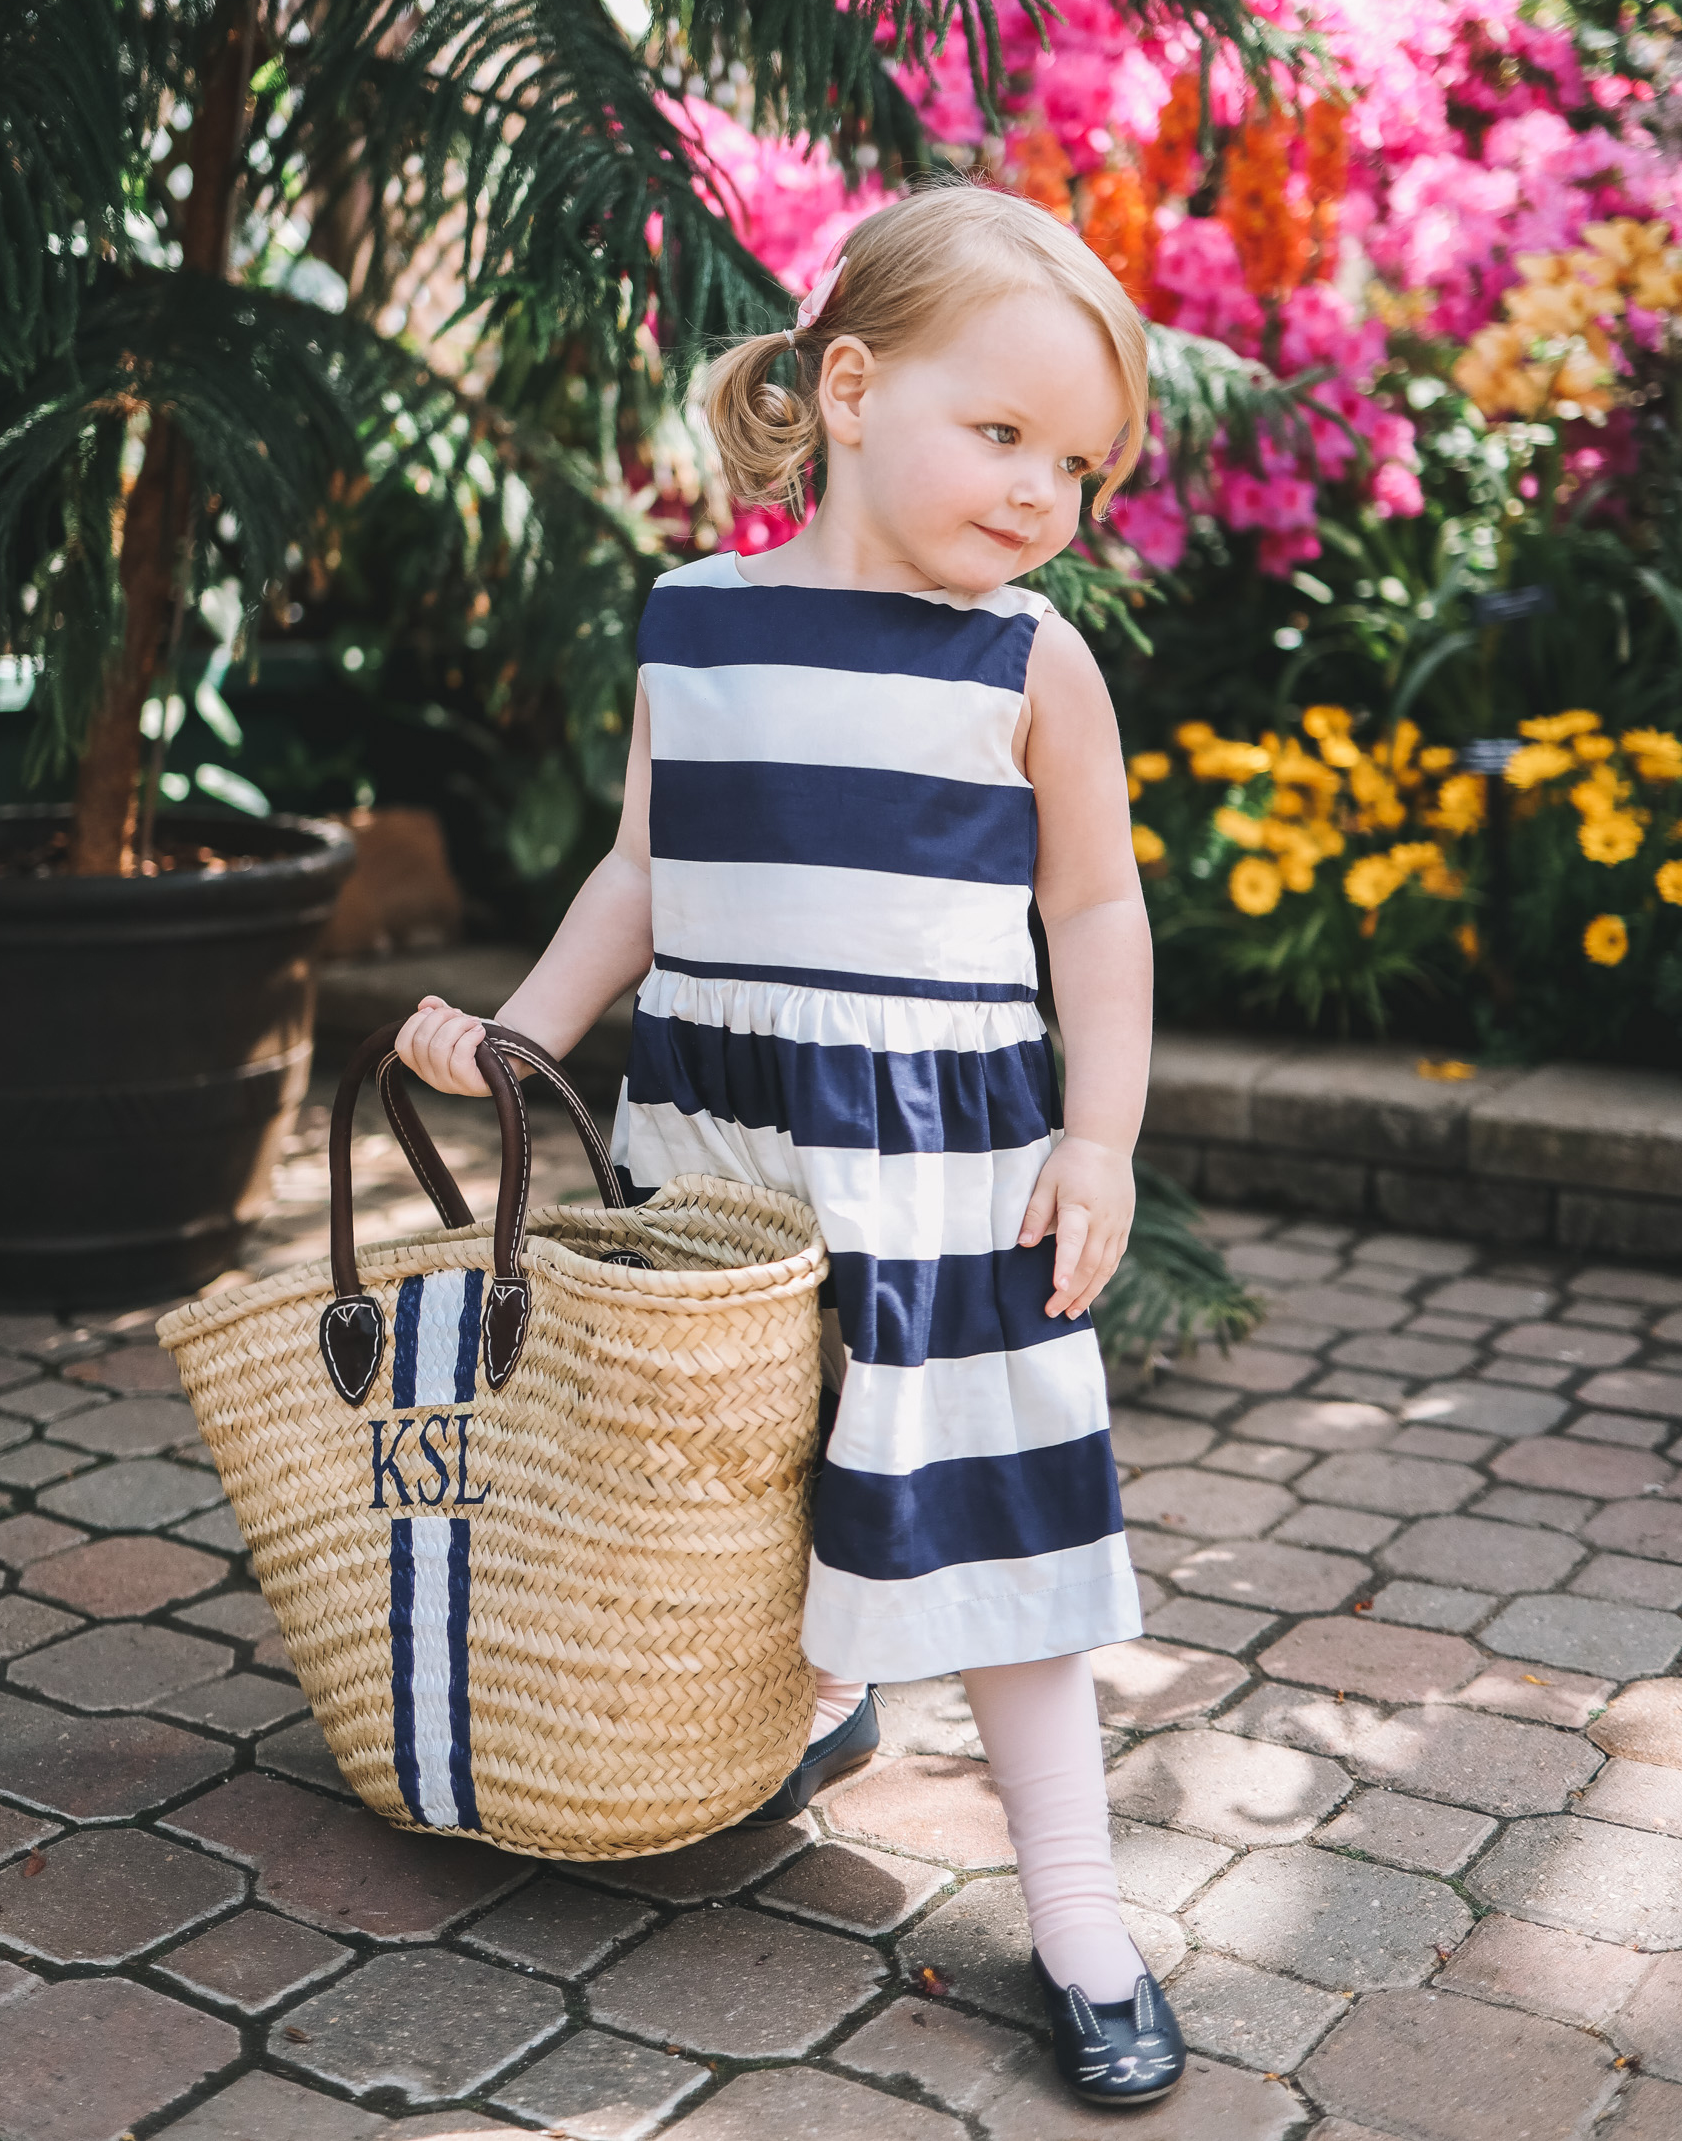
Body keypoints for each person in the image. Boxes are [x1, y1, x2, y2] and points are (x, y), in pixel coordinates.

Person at [395, 183, 1182, 2108]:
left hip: (940, 1150)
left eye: (1074, 463)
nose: (1036, 493)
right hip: (718, 1136)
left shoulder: (1026, 665)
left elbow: (1095, 912)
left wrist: (1103, 1137)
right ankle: (804, 1703)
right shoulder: (696, 625)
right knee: (734, 1455)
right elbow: (645, 873)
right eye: (999, 434)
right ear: (846, 387)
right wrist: (519, 1041)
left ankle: (1075, 1905)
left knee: (990, 1496)